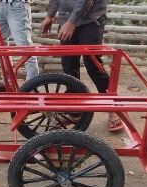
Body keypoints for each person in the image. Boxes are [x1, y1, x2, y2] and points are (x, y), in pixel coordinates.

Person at [40, 0, 123, 132]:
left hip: (90, 20)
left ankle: (113, 108)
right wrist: (50, 16)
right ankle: (75, 111)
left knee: (93, 65)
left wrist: (72, 22)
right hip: (66, 19)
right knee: (69, 65)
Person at [0, 0, 39, 91]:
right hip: (2, 4)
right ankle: (8, 81)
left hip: (18, 4)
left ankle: (31, 86)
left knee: (25, 47)